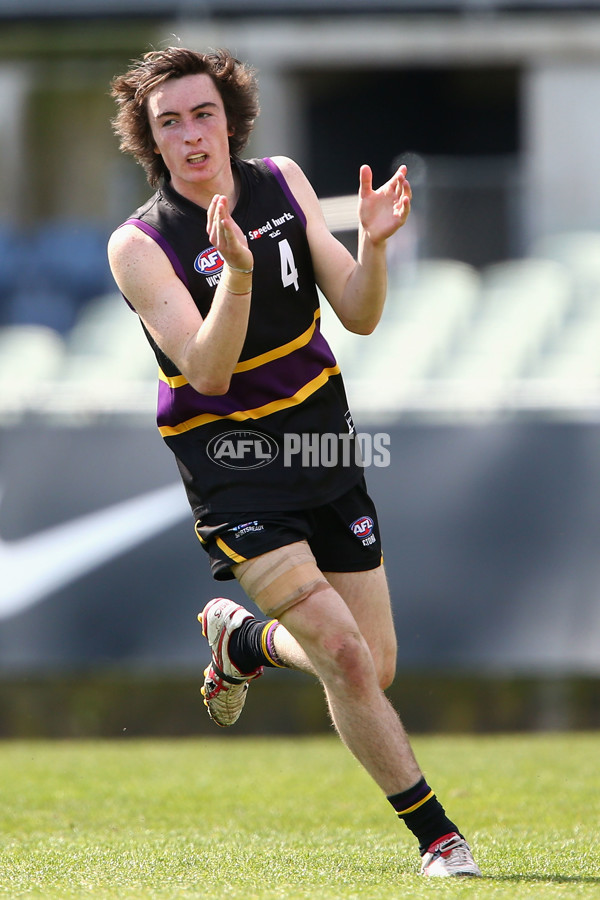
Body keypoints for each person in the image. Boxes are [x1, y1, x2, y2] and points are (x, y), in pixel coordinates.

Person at [107, 46, 481, 878]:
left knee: (371, 666)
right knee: (344, 657)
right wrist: (235, 276)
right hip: (232, 461)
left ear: (229, 117)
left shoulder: (279, 179)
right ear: (152, 142)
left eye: (203, 114)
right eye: (170, 124)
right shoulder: (138, 245)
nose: (192, 135)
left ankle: (247, 644)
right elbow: (205, 370)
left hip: (323, 442)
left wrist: (376, 248)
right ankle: (438, 837)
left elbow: (358, 311)